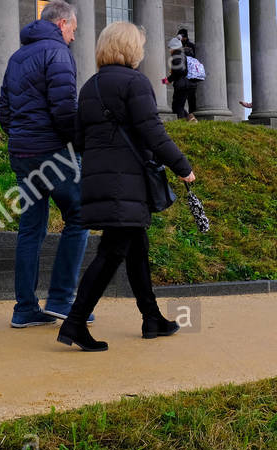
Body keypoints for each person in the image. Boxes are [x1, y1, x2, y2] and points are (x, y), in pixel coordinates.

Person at [59, 21, 195, 352]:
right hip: (127, 183)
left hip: (100, 180)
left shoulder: (89, 86)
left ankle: (152, 318)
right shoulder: (136, 83)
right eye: (141, 47)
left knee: (137, 249)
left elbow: (78, 139)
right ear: (130, 49)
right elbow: (153, 131)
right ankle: (75, 322)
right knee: (111, 253)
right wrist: (183, 167)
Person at [0, 0, 91, 328]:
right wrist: (78, 143)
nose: (74, 37)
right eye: (74, 30)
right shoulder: (58, 53)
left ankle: (24, 309)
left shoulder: (17, 56)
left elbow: (3, 110)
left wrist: (22, 136)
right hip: (53, 152)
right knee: (79, 217)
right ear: (62, 23)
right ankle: (62, 300)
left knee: (30, 229)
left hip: (22, 152)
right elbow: (65, 109)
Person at [165, 28, 198, 121]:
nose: (169, 50)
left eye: (170, 48)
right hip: (191, 84)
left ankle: (185, 121)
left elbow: (179, 71)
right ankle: (190, 118)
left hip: (182, 84)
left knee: (176, 107)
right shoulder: (187, 54)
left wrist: (166, 80)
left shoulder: (177, 55)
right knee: (181, 105)